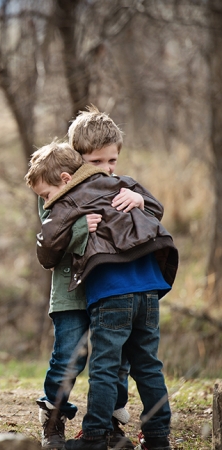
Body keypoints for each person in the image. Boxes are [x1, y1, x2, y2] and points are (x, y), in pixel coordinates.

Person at [25, 140, 178, 450]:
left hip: (111, 290)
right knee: (74, 357)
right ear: (77, 165)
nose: (105, 169)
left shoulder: (118, 186)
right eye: (95, 162)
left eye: (111, 160)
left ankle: (103, 430)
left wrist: (140, 199)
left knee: (113, 364)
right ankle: (56, 419)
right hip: (85, 293)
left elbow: (155, 209)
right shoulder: (61, 197)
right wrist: (79, 229)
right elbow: (48, 247)